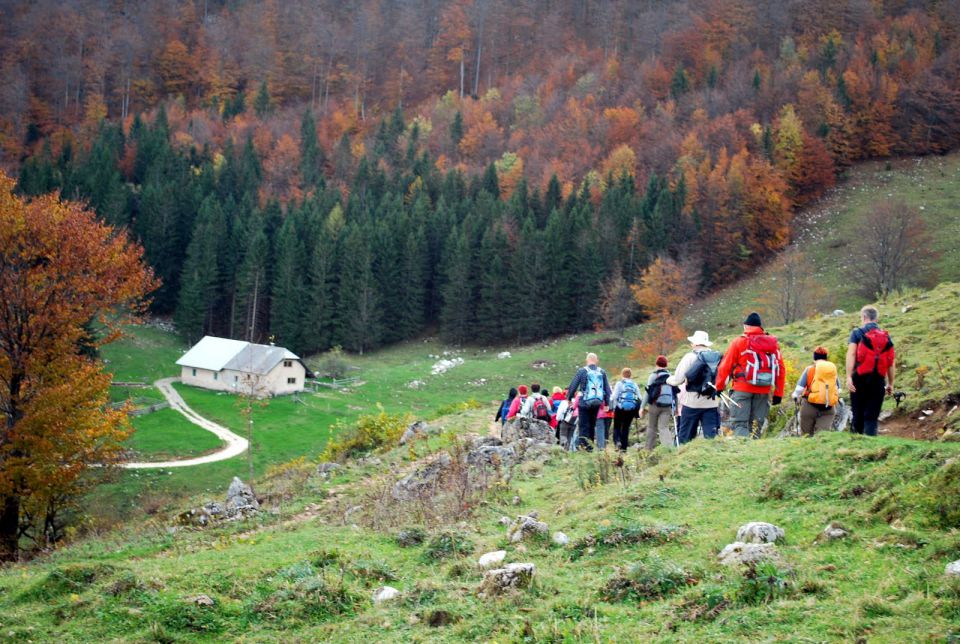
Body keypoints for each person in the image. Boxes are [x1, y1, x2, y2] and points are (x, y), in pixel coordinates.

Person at [716, 313, 786, 438]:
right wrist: (778, 394)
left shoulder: (739, 342)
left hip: (742, 389)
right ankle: (755, 452)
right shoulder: (772, 344)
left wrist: (719, 387)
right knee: (756, 425)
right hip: (763, 390)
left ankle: (743, 453)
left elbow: (725, 366)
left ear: (745, 326)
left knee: (740, 423)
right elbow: (780, 369)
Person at [846, 305, 896, 436]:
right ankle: (871, 444)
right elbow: (890, 361)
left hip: (859, 378)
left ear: (864, 317)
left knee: (858, 413)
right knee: (872, 416)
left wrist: (849, 377)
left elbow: (851, 354)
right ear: (876, 319)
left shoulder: (857, 333)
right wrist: (890, 383)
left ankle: (855, 444)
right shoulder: (886, 337)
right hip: (878, 378)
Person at [668, 331, 722, 444]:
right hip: (711, 403)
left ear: (694, 343)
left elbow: (678, 379)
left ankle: (684, 457)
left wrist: (668, 380)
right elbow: (724, 380)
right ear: (706, 344)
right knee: (711, 437)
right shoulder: (717, 357)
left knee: (685, 436)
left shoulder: (689, 357)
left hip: (691, 402)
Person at [566, 352, 611, 450]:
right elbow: (607, 389)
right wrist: (607, 403)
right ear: (597, 361)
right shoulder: (602, 372)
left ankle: (584, 448)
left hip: (584, 403)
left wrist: (569, 398)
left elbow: (573, 385)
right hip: (596, 403)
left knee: (583, 426)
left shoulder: (582, 371)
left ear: (587, 360)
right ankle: (590, 447)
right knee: (592, 425)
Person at [792, 346, 841, 436]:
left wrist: (795, 396)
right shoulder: (832, 370)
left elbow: (799, 389)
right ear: (826, 358)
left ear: (814, 358)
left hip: (809, 406)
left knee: (806, 435)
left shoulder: (810, 369)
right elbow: (839, 389)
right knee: (822, 436)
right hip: (828, 408)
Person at [639, 356, 677, 450]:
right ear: (666, 365)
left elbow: (648, 392)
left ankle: (648, 449)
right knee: (664, 427)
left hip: (654, 405)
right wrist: (675, 407)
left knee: (652, 427)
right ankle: (668, 449)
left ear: (657, 364)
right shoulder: (670, 376)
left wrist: (642, 407)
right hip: (667, 406)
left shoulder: (653, 376)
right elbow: (675, 393)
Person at [611, 367, 642, 451]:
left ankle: (617, 442)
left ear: (622, 374)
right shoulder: (634, 384)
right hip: (631, 409)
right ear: (630, 375)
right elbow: (639, 397)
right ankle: (624, 448)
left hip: (620, 408)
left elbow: (614, 396)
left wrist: (613, 406)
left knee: (617, 426)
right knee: (626, 427)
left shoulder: (619, 383)